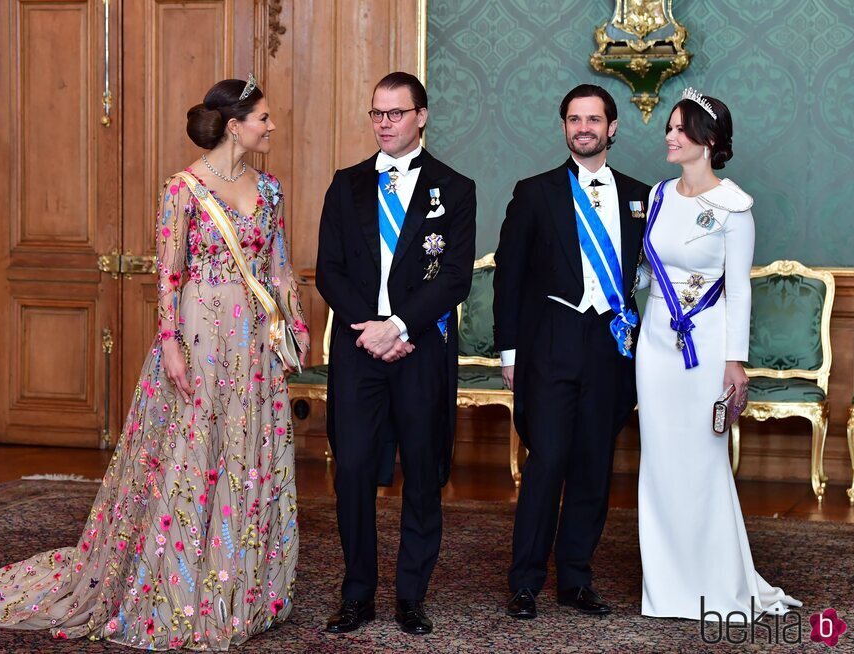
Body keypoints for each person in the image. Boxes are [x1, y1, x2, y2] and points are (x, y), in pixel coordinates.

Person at [0, 76, 310, 650]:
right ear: (235, 125)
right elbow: (169, 275)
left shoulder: (271, 190)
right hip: (201, 338)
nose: (271, 126)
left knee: (247, 453)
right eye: (263, 117)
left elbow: (279, 268)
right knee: (193, 454)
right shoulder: (183, 189)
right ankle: (181, 593)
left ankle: (241, 591)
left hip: (254, 342)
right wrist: (172, 346)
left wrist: (295, 322)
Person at [315, 71, 476, 636]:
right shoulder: (346, 184)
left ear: (421, 116)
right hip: (361, 348)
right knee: (353, 468)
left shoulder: (455, 188)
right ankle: (357, 593)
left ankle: (412, 596)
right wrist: (371, 329)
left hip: (421, 346)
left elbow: (456, 277)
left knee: (423, 472)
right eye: (377, 114)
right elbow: (328, 268)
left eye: (397, 113)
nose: (385, 124)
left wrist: (401, 324)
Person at [636, 88, 800, 620]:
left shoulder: (735, 207)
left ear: (707, 140)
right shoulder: (659, 196)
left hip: (705, 347)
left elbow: (740, 290)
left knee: (703, 460)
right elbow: (645, 268)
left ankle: (713, 581)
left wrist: (735, 361)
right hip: (656, 342)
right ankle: (666, 587)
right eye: (670, 126)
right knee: (659, 461)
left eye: (681, 128)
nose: (670, 135)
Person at [493, 84, 650, 619]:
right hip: (551, 341)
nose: (584, 127)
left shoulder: (640, 196)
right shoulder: (535, 192)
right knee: (548, 461)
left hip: (610, 345)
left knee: (592, 464)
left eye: (594, 119)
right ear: (564, 126)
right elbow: (508, 277)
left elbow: (653, 276)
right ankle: (525, 581)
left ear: (613, 128)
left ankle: (576, 579)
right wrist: (509, 353)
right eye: (574, 119)